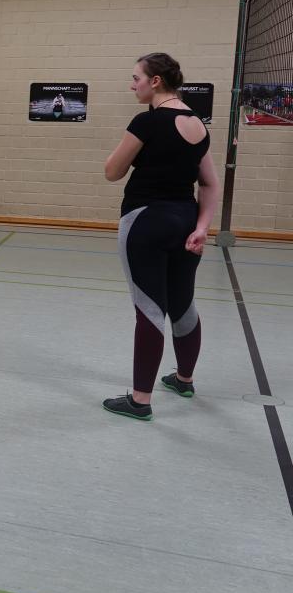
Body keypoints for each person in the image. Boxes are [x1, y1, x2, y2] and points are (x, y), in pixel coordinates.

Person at [102, 52, 220, 421]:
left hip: (145, 222)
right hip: (186, 222)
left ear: (155, 82)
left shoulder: (146, 122)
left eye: (135, 78)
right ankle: (184, 380)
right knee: (183, 304)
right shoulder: (198, 124)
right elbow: (210, 183)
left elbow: (112, 171)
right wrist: (202, 228)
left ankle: (140, 401)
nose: (132, 85)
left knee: (150, 309)